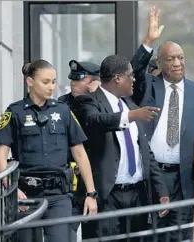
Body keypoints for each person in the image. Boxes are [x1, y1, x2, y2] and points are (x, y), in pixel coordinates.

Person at [0, 60, 97, 242]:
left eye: (54, 81)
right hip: (25, 196)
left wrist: (91, 193)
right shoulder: (15, 112)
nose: (51, 87)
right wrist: (11, 187)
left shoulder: (63, 111)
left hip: (58, 195)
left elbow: (79, 153)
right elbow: (1, 152)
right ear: (30, 82)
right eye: (45, 81)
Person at [72, 56, 170, 242]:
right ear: (118, 78)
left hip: (137, 195)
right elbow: (95, 122)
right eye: (130, 76)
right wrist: (131, 116)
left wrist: (161, 190)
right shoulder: (88, 101)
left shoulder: (130, 105)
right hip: (107, 195)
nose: (133, 80)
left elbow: (145, 152)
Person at [131, 39, 194, 240]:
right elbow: (134, 71)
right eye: (170, 59)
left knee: (182, 235)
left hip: (183, 178)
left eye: (180, 57)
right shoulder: (148, 86)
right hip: (151, 176)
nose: (177, 63)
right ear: (159, 63)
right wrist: (148, 42)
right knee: (151, 236)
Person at [58, 59, 101, 241]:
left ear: (93, 82)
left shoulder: (102, 103)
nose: (73, 84)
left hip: (97, 177)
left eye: (78, 80)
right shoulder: (63, 103)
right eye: (72, 80)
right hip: (72, 180)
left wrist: (95, 96)